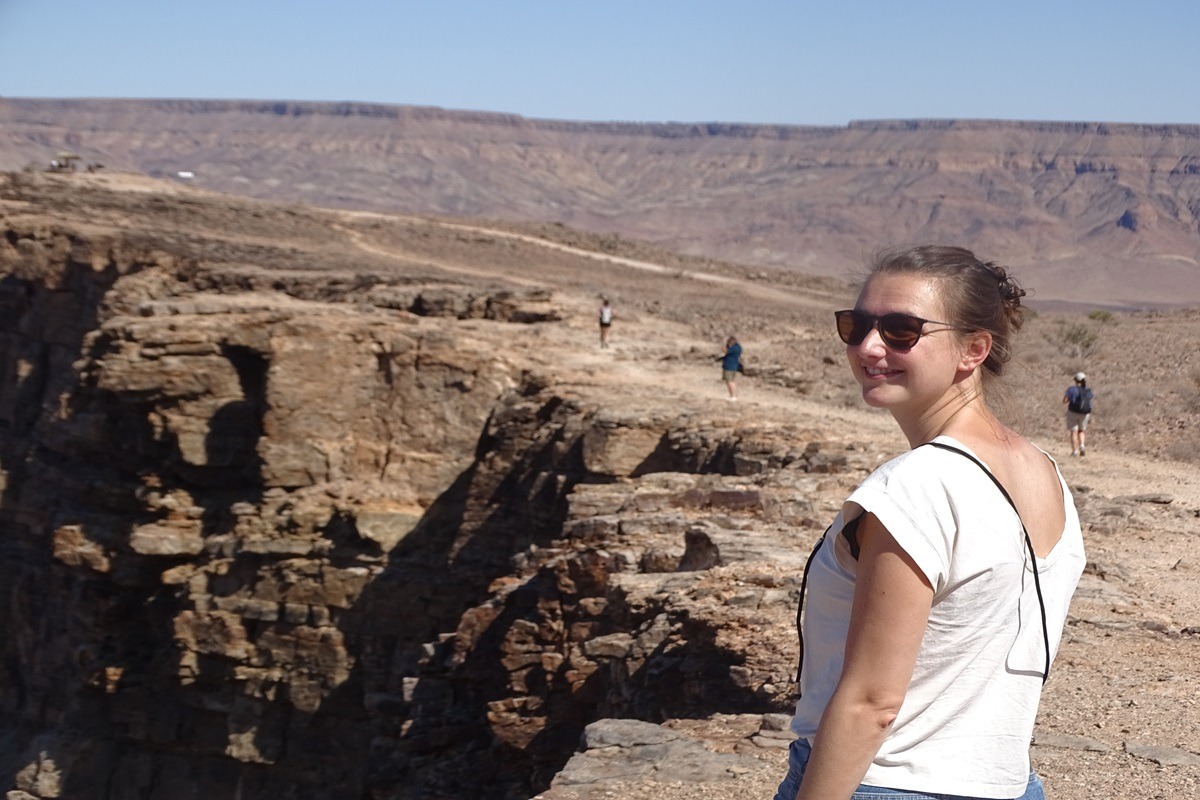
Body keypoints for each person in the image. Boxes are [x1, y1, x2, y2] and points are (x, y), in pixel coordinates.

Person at [774, 245, 1086, 800]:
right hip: (1009, 786)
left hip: (887, 782)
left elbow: (874, 702)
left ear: (973, 349)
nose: (870, 347)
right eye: (857, 325)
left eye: (901, 330)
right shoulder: (1047, 472)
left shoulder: (918, 486)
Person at [1062, 372, 1093, 456]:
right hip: (1084, 413)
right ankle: (1082, 446)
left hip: (1073, 412)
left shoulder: (1071, 389)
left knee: (1074, 432)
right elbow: (1090, 399)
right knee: (1081, 431)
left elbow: (1064, 401)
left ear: (1075, 380)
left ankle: (1075, 451)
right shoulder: (1088, 390)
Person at [720, 335, 742, 399]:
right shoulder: (738, 347)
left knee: (730, 381)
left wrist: (723, 342)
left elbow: (724, 351)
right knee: (730, 381)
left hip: (730, 366)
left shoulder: (734, 348)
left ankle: (733, 396)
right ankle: (732, 395)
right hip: (733, 365)